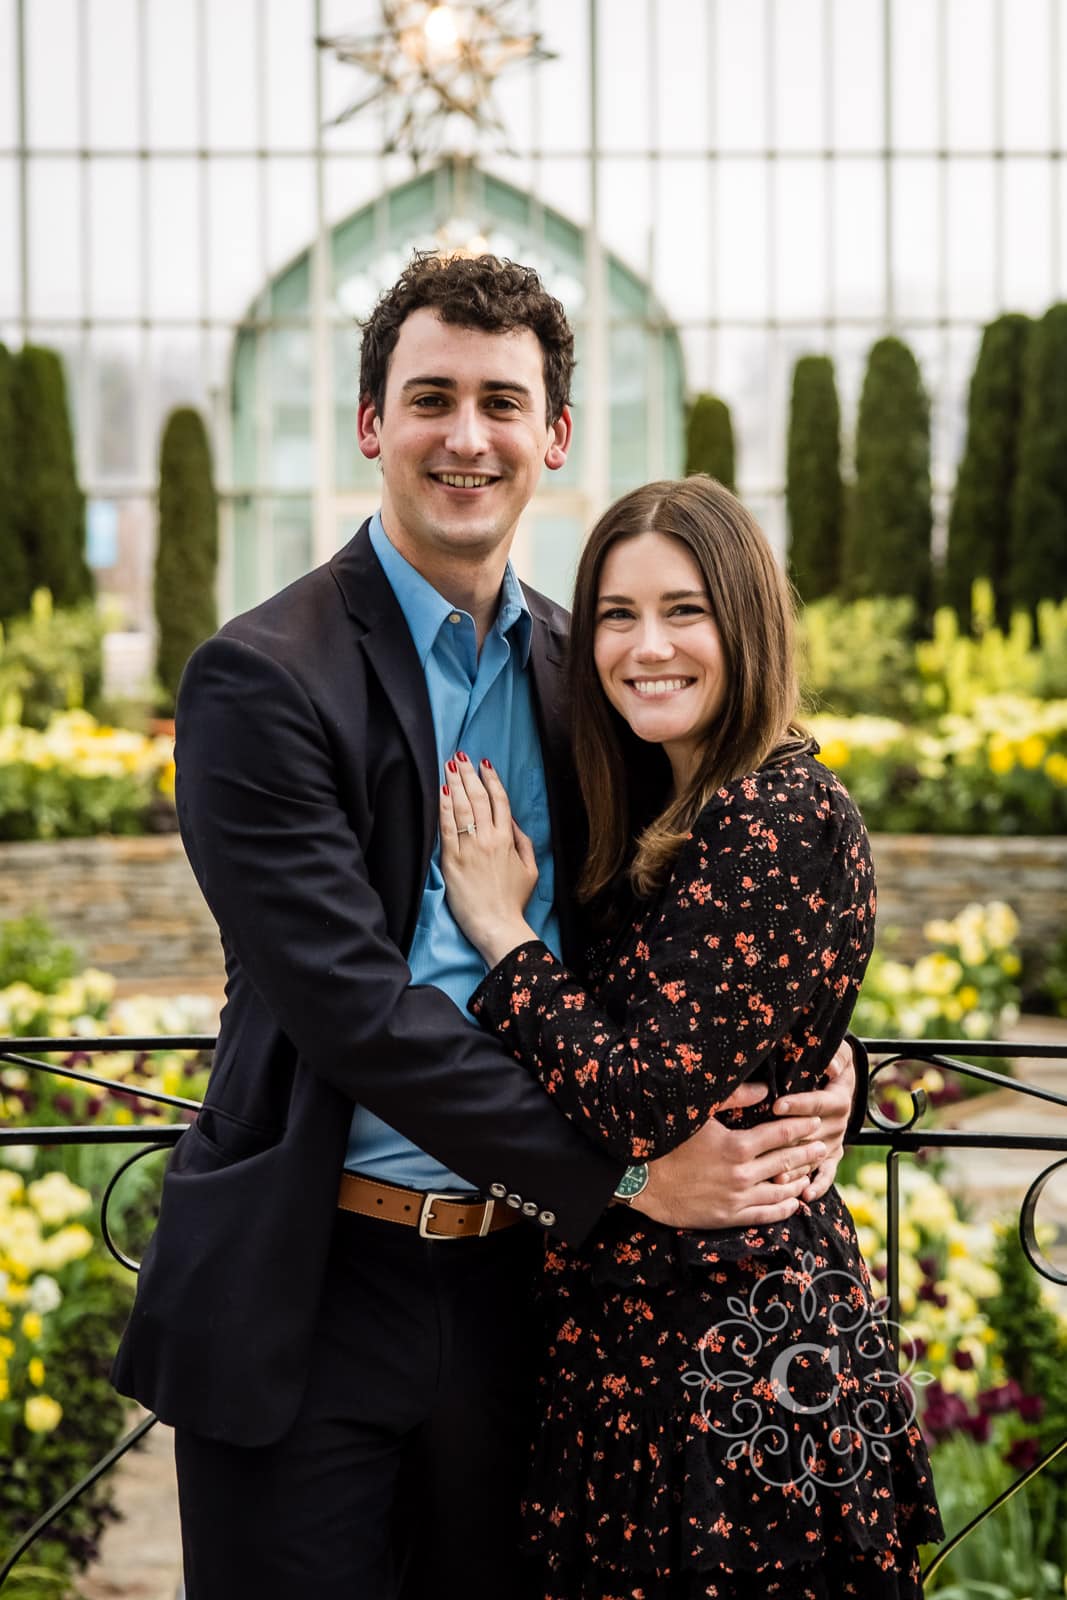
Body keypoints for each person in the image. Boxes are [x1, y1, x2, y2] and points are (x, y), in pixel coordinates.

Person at [112, 254, 860, 1600]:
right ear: (371, 425)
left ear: (553, 436)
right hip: (314, 1280)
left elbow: (695, 933)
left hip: (539, 1299)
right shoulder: (259, 678)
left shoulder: (598, 674)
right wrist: (629, 1176)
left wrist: (809, 1069)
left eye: (502, 403)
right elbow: (354, 1010)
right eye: (431, 397)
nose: (467, 436)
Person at [437, 476, 943, 1599]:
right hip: (637, 1356)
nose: (644, 646)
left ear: (745, 622)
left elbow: (631, 1098)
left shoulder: (778, 815)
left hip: (732, 1370)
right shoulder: (671, 813)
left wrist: (499, 934)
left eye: (684, 611)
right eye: (615, 614)